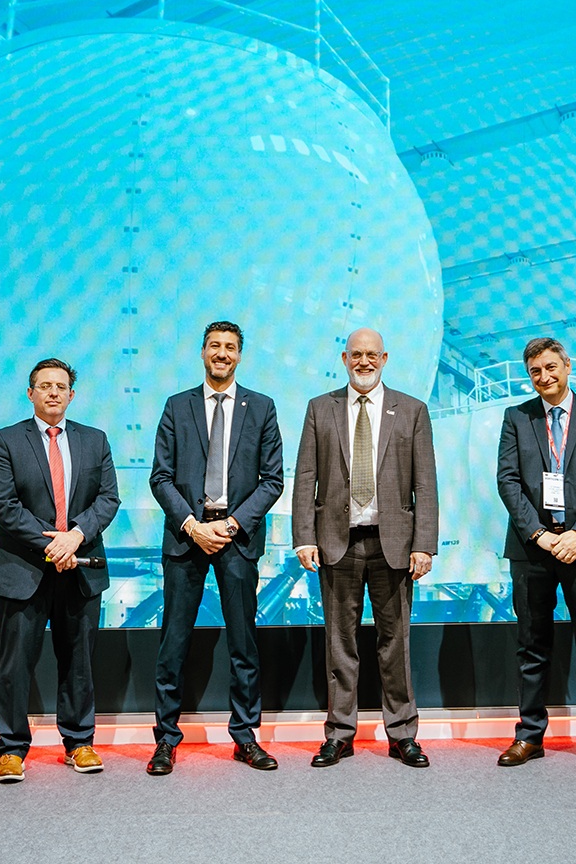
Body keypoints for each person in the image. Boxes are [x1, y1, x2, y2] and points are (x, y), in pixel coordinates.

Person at [292, 327, 439, 769]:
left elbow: (425, 483)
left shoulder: (412, 410)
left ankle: (403, 734)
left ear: (385, 358)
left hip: (393, 545)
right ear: (344, 358)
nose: (364, 362)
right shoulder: (320, 408)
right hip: (338, 544)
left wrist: (424, 544)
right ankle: (339, 734)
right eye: (356, 354)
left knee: (396, 644)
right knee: (340, 644)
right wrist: (304, 536)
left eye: (372, 354)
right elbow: (305, 477)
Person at [146, 321, 285, 775]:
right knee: (173, 644)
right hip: (186, 536)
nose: (222, 353)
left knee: (243, 644)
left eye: (230, 347)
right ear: (202, 352)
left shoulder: (261, 407)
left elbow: (273, 480)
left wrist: (231, 523)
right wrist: (192, 525)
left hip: (236, 537)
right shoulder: (177, 406)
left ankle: (245, 737)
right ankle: (166, 740)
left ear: (239, 355)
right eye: (214, 346)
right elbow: (160, 477)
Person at [0, 358, 122, 783]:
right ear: (31, 393)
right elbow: (3, 505)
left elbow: (108, 499)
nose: (53, 392)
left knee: (79, 663)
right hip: (21, 569)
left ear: (71, 395)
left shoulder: (95, 440)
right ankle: (11, 749)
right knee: (14, 665)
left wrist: (74, 537)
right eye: (45, 386)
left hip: (80, 567)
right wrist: (53, 544)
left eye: (61, 386)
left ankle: (79, 743)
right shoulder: (6, 440)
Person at [494, 337, 576, 773]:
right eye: (535, 371)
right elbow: (508, 480)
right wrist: (539, 535)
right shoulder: (517, 417)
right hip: (533, 550)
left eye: (551, 367)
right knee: (531, 647)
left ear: (567, 366)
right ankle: (529, 736)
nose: (544, 377)